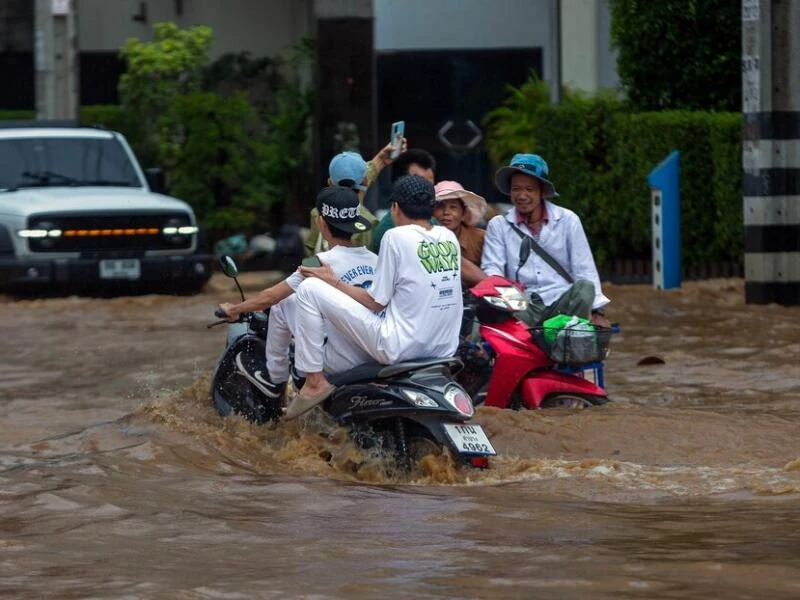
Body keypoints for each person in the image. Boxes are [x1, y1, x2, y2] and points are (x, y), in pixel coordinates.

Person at [283, 175, 463, 420]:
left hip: (399, 347)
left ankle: (314, 380)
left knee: (309, 289)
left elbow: (375, 301)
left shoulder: (395, 237)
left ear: (396, 208)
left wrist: (332, 280)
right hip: (443, 349)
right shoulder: (449, 237)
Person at [218, 186, 378, 403]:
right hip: (374, 355)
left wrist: (234, 309)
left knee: (284, 302)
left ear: (321, 222)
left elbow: (270, 297)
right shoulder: (375, 260)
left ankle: (276, 381)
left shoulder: (318, 264)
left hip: (340, 361)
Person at [481, 153, 611, 328]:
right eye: (516, 189)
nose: (522, 195)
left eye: (529, 189)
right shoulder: (498, 225)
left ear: (542, 191)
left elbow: (584, 269)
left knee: (585, 287)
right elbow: (492, 269)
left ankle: (567, 329)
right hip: (522, 304)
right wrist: (511, 299)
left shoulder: (568, 220)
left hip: (562, 303)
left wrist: (598, 312)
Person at [304, 142, 406, 256]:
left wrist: (380, 160)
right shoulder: (369, 222)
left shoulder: (318, 213)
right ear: (366, 181)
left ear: (329, 183)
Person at [369, 148, 436, 253]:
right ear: (401, 183)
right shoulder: (387, 234)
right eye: (418, 183)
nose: (426, 190)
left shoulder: (438, 226)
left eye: (429, 185)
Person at [433, 180, 488, 287]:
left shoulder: (481, 238)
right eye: (440, 206)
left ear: (463, 214)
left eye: (453, 207)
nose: (446, 212)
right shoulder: (423, 239)